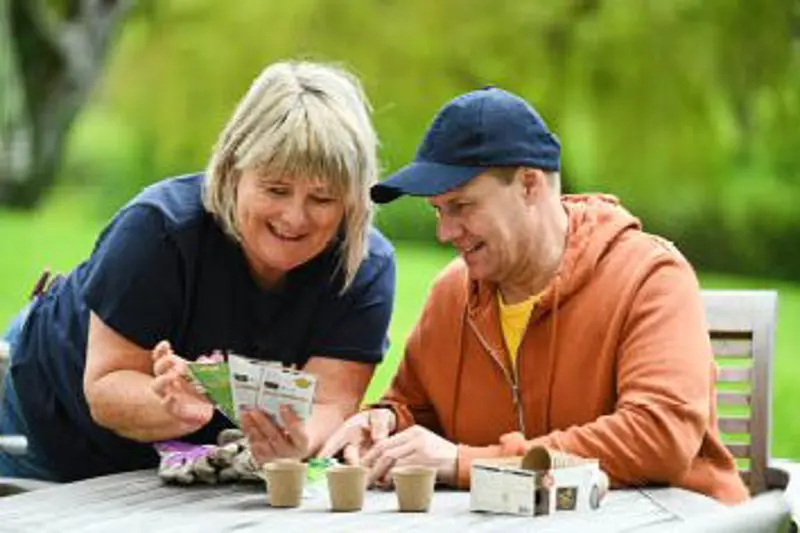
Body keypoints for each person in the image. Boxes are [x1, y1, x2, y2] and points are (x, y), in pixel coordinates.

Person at [320, 87, 749, 504]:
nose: (444, 232)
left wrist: (467, 463)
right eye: (438, 210)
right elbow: (416, 408)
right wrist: (383, 424)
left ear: (529, 185)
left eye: (461, 206)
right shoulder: (452, 294)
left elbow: (659, 436)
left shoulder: (649, 278)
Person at [0, 61, 396, 482]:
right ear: (233, 170)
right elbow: (106, 388)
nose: (294, 217)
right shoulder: (158, 230)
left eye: (322, 198)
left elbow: (330, 403)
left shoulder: (365, 267)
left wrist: (298, 440)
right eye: (276, 189)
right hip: (43, 421)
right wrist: (171, 407)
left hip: (191, 461)